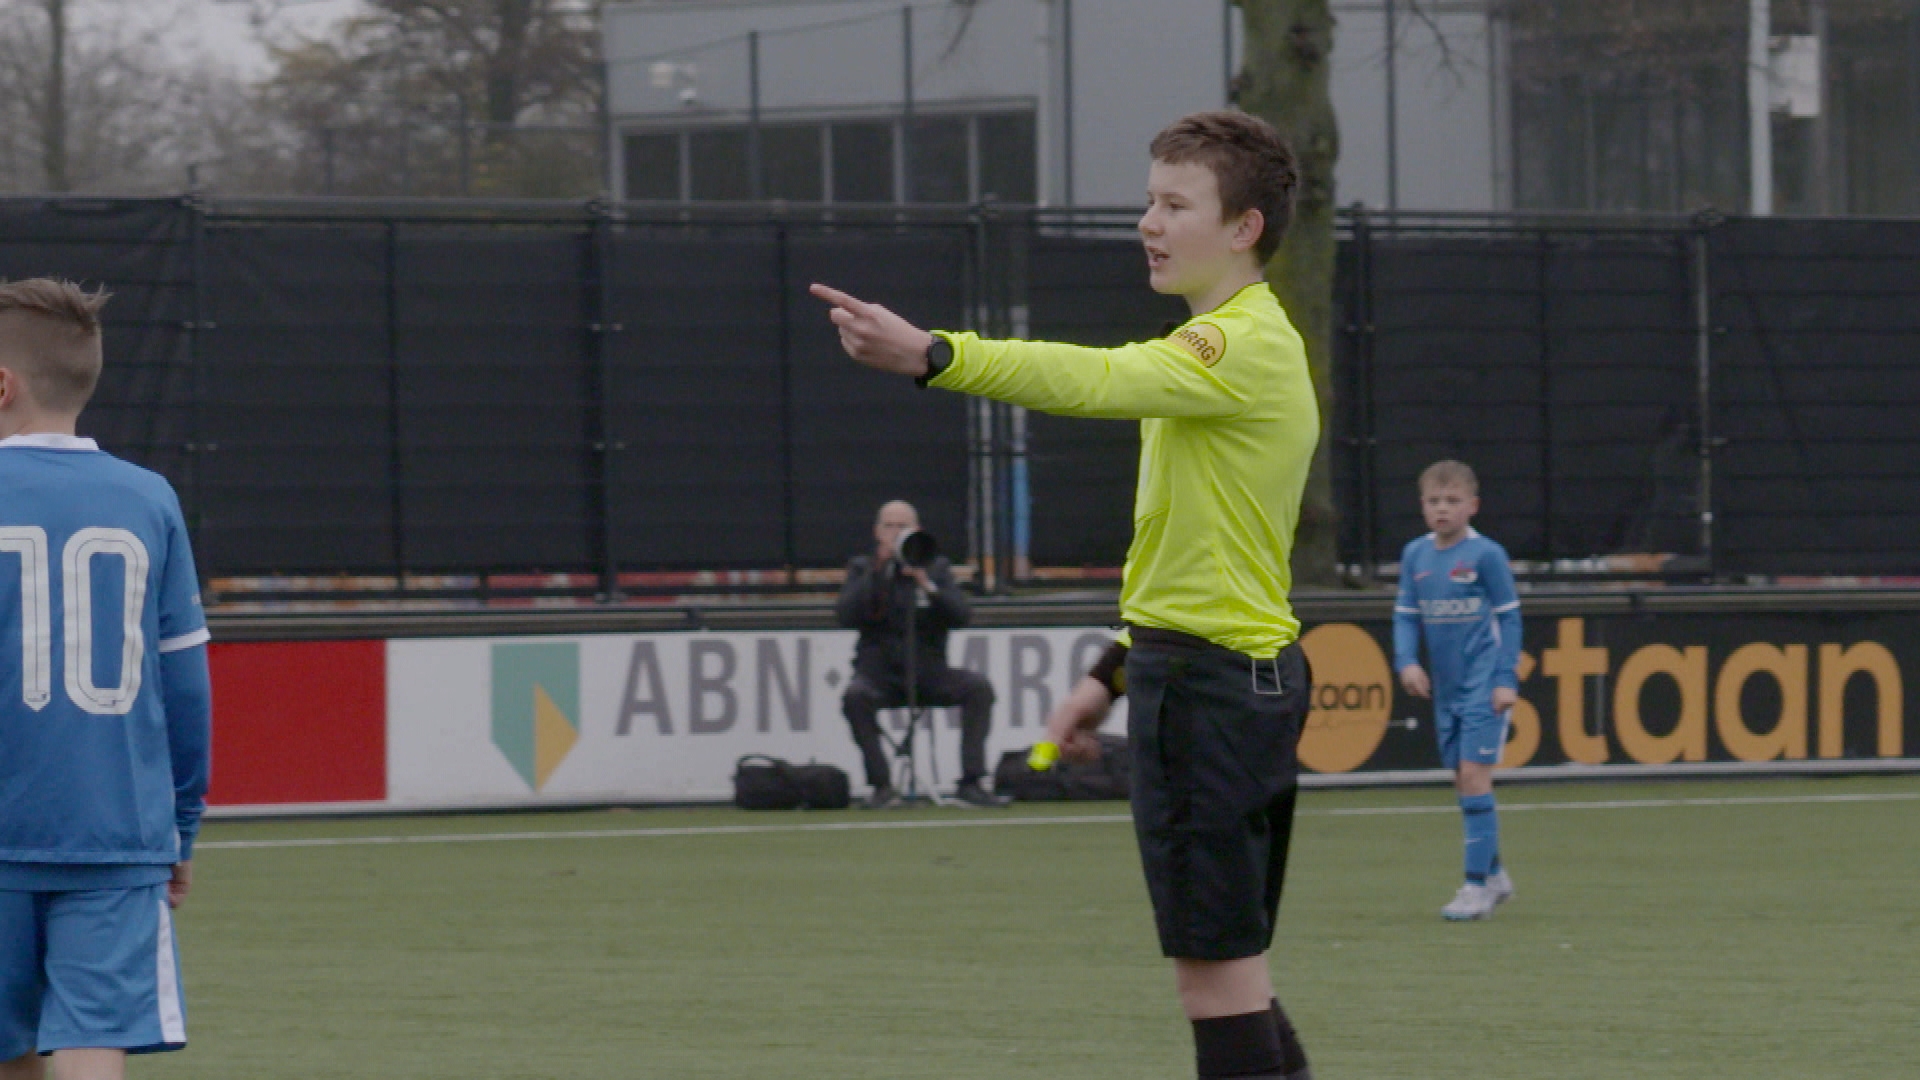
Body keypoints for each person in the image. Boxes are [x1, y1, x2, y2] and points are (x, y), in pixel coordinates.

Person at [814, 110, 1319, 1080]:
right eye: (1148, 200)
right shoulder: (1239, 346)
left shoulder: (1235, 347)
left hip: (1210, 694)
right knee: (1234, 970)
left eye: (1176, 204)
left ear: (1244, 227)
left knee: (1215, 978)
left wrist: (938, 355)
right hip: (1222, 677)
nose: (1149, 222)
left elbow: (1092, 379)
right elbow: (1201, 570)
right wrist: (1112, 677)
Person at [0, 280, 212, 1080]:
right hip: (113, 833)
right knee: (94, 1044)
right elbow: (186, 691)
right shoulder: (147, 499)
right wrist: (179, 833)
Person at [1393, 460, 1522, 922]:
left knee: (1474, 777)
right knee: (1461, 780)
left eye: (1452, 501)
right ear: (1423, 506)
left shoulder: (1486, 555)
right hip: (1445, 688)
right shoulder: (1415, 555)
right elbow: (1406, 614)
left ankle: (1474, 888)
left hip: (1484, 685)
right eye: (1433, 501)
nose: (1442, 510)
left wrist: (1507, 679)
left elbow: (1509, 617)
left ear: (1473, 506)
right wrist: (1407, 662)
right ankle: (1495, 874)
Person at [837, 500, 1008, 809]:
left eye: (902, 526)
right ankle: (881, 785)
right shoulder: (862, 567)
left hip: (929, 672)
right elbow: (846, 615)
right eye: (889, 526)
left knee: (978, 688)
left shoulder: (936, 567)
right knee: (855, 697)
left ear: (916, 530)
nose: (894, 532)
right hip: (880, 673)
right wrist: (879, 572)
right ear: (877, 532)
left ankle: (971, 782)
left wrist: (926, 585)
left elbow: (961, 616)